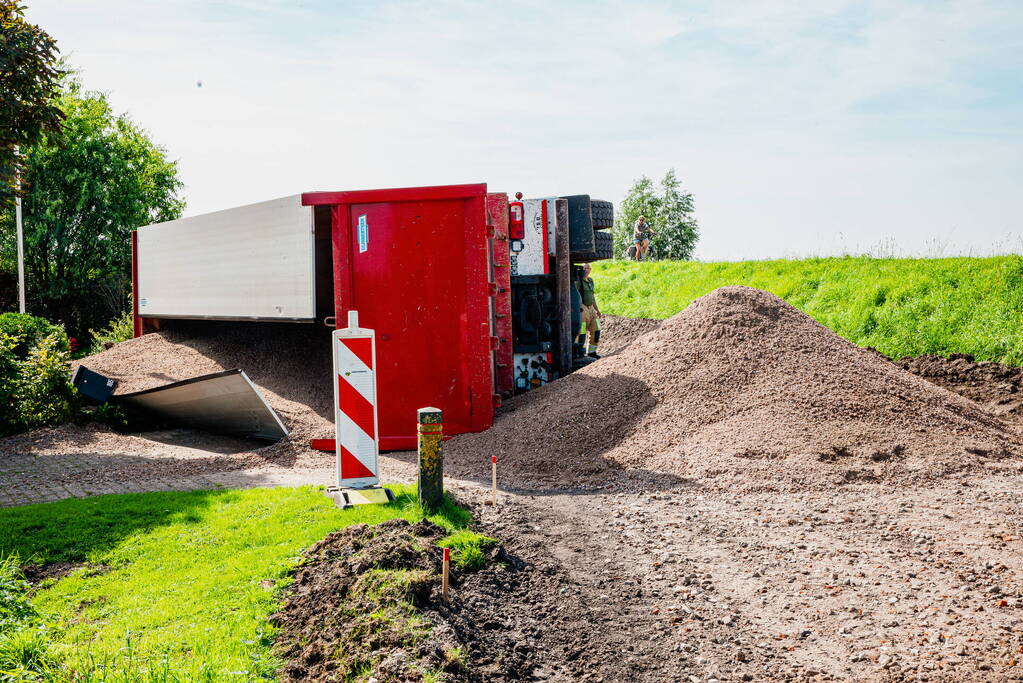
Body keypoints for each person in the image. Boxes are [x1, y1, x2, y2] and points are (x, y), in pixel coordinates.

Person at [578, 263, 602, 358]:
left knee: (597, 329)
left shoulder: (590, 280)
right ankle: (579, 353)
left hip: (591, 307)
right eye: (584, 268)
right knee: (582, 331)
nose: (586, 270)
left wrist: (597, 310)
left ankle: (592, 352)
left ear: (590, 269)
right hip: (582, 307)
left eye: (588, 268)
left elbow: (592, 296)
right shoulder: (578, 281)